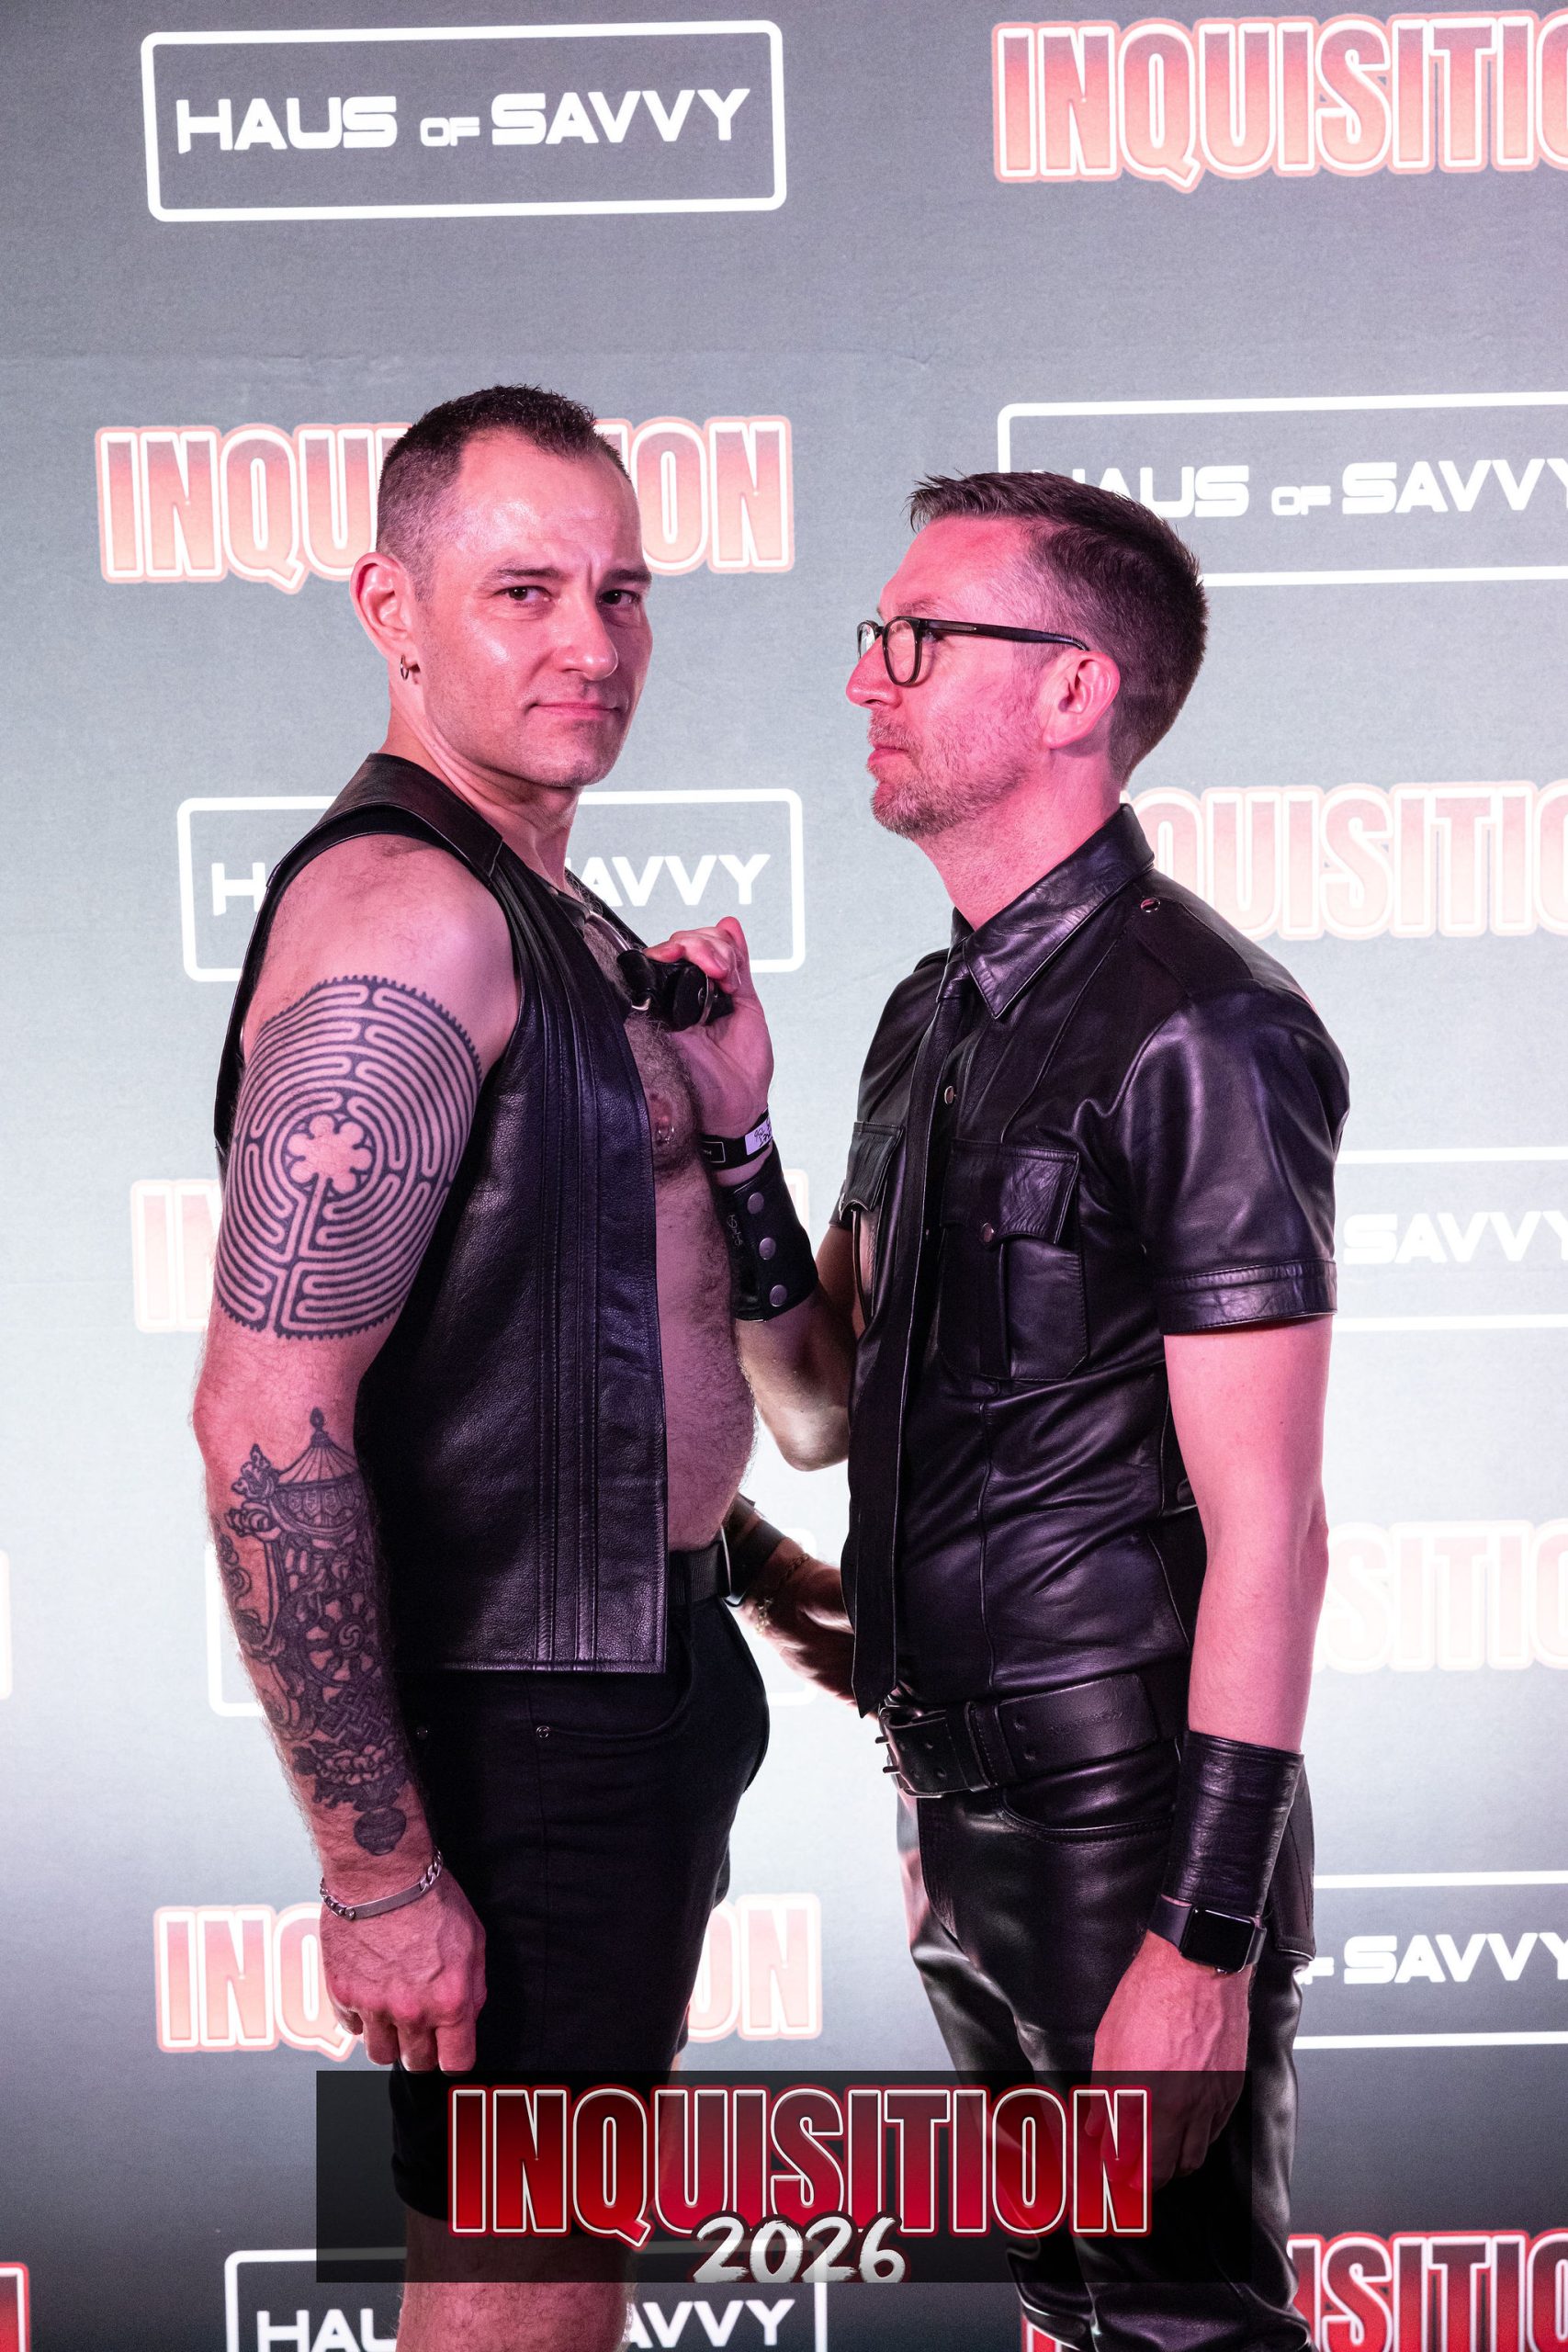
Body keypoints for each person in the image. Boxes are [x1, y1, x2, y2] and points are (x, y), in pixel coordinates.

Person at [190, 382, 849, 2352]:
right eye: (524, 591)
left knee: (557, 2270)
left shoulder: (545, 908)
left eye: (622, 593)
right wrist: (380, 1869)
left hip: (634, 1686)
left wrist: (734, 1123)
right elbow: (264, 1414)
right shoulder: (404, 920)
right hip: (522, 1738)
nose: (593, 643)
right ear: (392, 609)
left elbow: (783, 1388)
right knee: (520, 2295)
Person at [682, 469, 1348, 2346]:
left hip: (1130, 1820)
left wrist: (1199, 1935)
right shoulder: (929, 1017)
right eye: (874, 639)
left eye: (915, 640)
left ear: (1071, 689)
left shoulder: (1203, 1027)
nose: (863, 679)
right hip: (960, 1806)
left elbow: (1274, 1531)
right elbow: (819, 1409)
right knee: (1079, 2311)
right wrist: (735, 1137)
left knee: (1175, 2325)